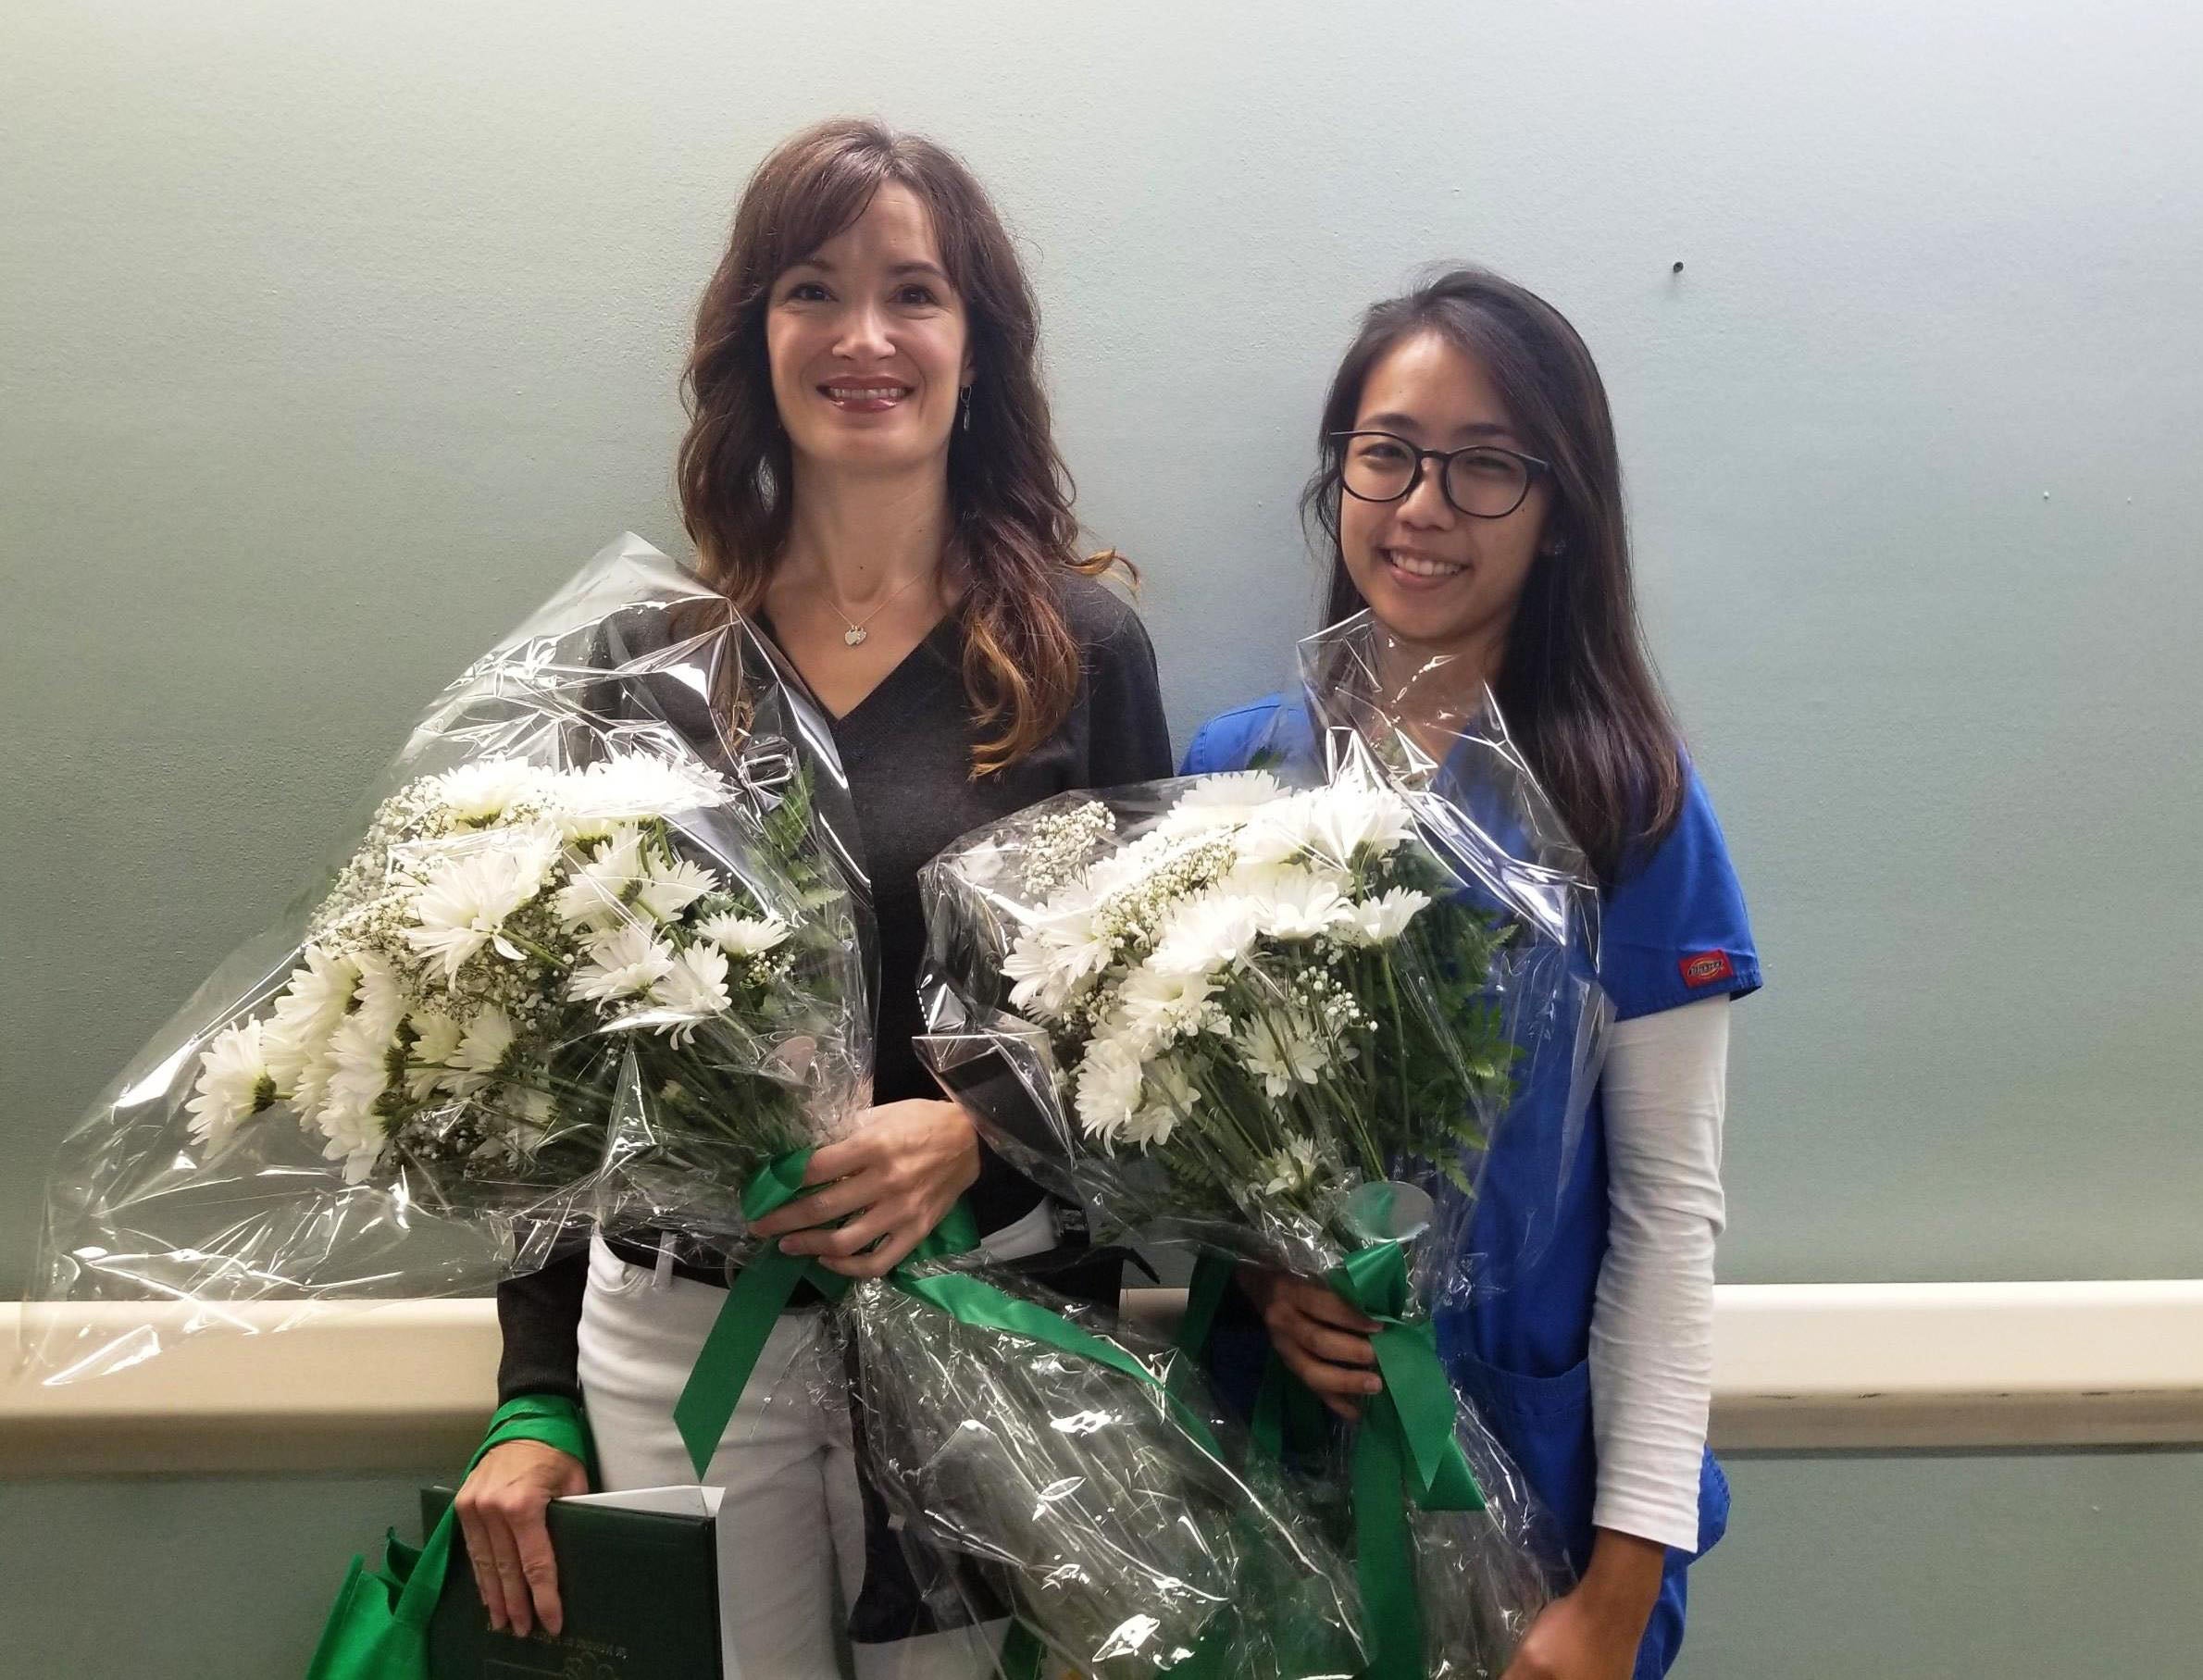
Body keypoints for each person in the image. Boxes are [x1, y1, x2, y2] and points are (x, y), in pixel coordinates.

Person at [456, 118, 1170, 1679]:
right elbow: (555, 1076)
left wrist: (977, 1128)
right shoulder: (646, 666)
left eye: (914, 293)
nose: (864, 337)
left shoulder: (1076, 654)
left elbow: (1145, 1043)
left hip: (986, 1323)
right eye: (812, 289)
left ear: (975, 347)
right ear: (752, 340)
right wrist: (531, 1396)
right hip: (682, 1341)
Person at [1180, 268, 1761, 1680]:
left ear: (1561, 515)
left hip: (1542, 1512)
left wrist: (1618, 1591)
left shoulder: (1626, 806)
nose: (1424, 505)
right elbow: (1183, 1148)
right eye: (1388, 453)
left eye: (1487, 467)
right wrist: (1267, 1283)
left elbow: (1670, 1223)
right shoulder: (1236, 776)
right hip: (1272, 1472)